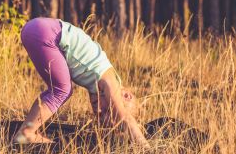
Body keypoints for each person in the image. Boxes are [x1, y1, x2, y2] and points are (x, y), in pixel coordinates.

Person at [13, 17, 148, 146]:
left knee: (57, 90)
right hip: (47, 33)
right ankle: (27, 133)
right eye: (108, 110)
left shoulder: (99, 76)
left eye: (100, 115)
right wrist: (146, 148)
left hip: (38, 29)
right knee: (62, 90)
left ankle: (28, 128)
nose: (99, 110)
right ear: (126, 95)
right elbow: (126, 118)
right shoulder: (111, 82)